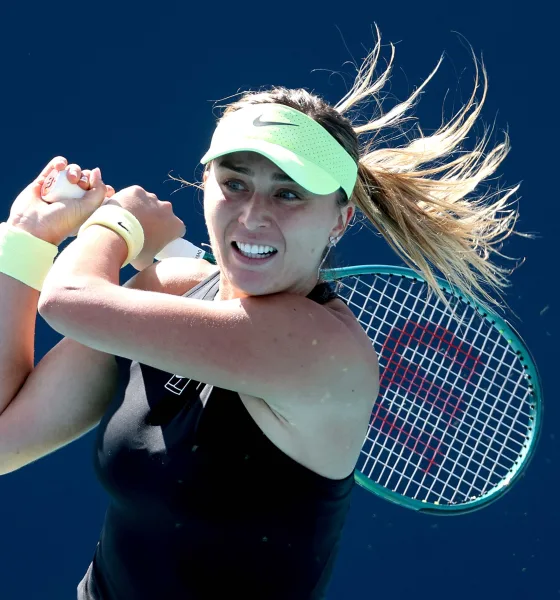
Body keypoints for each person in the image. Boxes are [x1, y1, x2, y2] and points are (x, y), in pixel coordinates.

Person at [0, 34, 521, 600]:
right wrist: (26, 239)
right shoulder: (173, 288)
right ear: (204, 186)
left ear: (340, 219)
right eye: (235, 184)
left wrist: (117, 222)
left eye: (288, 194)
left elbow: (69, 300)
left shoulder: (317, 349)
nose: (252, 216)